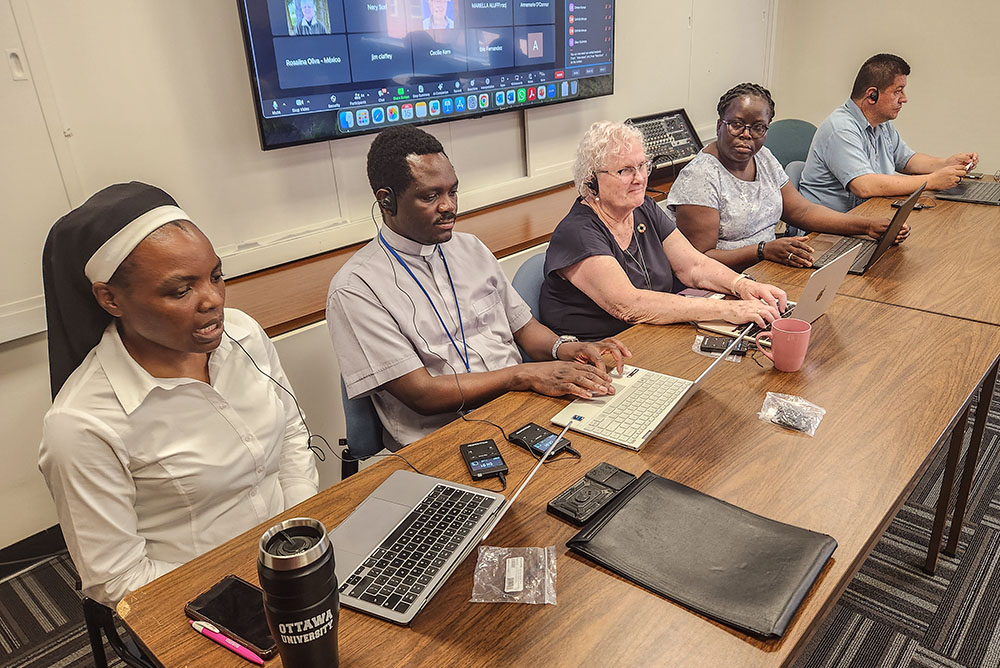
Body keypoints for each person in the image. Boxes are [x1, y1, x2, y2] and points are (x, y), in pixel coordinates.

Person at [38, 182, 319, 607]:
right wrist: (244, 597)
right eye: (180, 290)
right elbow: (118, 580)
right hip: (202, 600)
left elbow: (294, 431)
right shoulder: (81, 425)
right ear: (110, 298)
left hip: (292, 558)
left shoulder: (241, 333)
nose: (214, 301)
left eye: (216, 276)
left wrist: (300, 532)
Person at [327, 126, 630, 449]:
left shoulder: (470, 248)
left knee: (618, 443)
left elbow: (525, 330)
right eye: (430, 196)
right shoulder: (356, 288)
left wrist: (568, 348)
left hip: (522, 411)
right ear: (387, 201)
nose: (449, 206)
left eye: (452, 192)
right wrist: (522, 376)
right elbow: (421, 394)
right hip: (440, 441)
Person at [538, 121, 789, 342]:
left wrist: (741, 285)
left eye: (642, 166)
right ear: (591, 180)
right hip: (602, 352)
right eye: (625, 170)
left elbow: (693, 266)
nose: (639, 178)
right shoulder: (578, 233)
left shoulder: (643, 207)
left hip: (651, 335)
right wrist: (727, 311)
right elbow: (629, 305)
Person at [668, 83, 907, 272]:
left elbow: (801, 212)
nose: (747, 135)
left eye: (758, 128)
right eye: (736, 125)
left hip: (766, 269)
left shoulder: (763, 158)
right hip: (723, 283)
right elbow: (699, 261)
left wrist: (867, 227)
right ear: (720, 124)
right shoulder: (700, 177)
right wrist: (762, 251)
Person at [800, 53, 978, 213]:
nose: (904, 98)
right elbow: (865, 186)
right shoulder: (840, 129)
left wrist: (945, 163)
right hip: (822, 234)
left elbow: (907, 161)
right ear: (872, 95)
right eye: (898, 91)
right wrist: (931, 181)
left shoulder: (881, 124)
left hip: (865, 217)